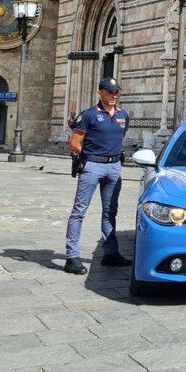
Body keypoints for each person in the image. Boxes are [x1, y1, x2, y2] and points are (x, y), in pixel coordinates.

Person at [64, 77, 131, 275]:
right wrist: (87, 161)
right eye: (110, 92)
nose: (114, 96)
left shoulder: (123, 115)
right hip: (93, 166)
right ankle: (72, 257)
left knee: (110, 212)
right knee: (79, 211)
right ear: (100, 93)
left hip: (114, 167)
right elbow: (75, 143)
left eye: (116, 92)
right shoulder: (89, 116)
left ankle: (110, 254)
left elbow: (118, 137)